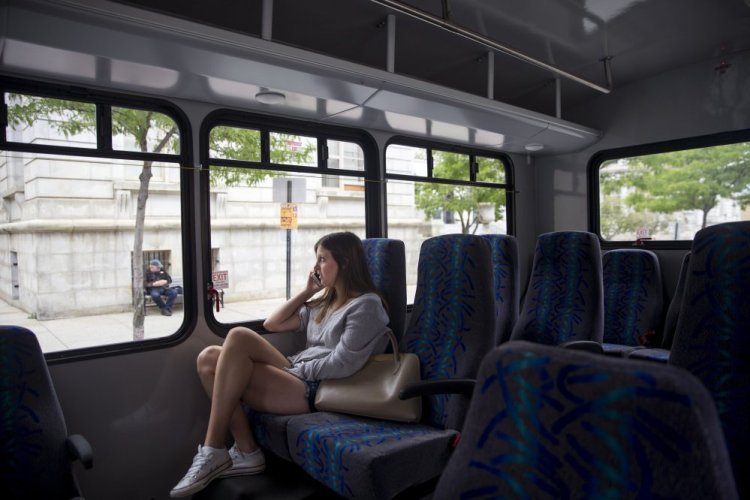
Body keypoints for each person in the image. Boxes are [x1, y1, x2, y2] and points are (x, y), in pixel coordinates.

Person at [170, 232, 391, 498]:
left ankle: (213, 448)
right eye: (316, 259)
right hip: (299, 373)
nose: (316, 267)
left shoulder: (366, 305)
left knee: (238, 336)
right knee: (208, 358)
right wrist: (308, 291)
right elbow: (272, 324)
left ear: (344, 263)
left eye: (323, 259)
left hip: (320, 388)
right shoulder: (326, 302)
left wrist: (297, 371)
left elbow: (343, 363)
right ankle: (247, 450)